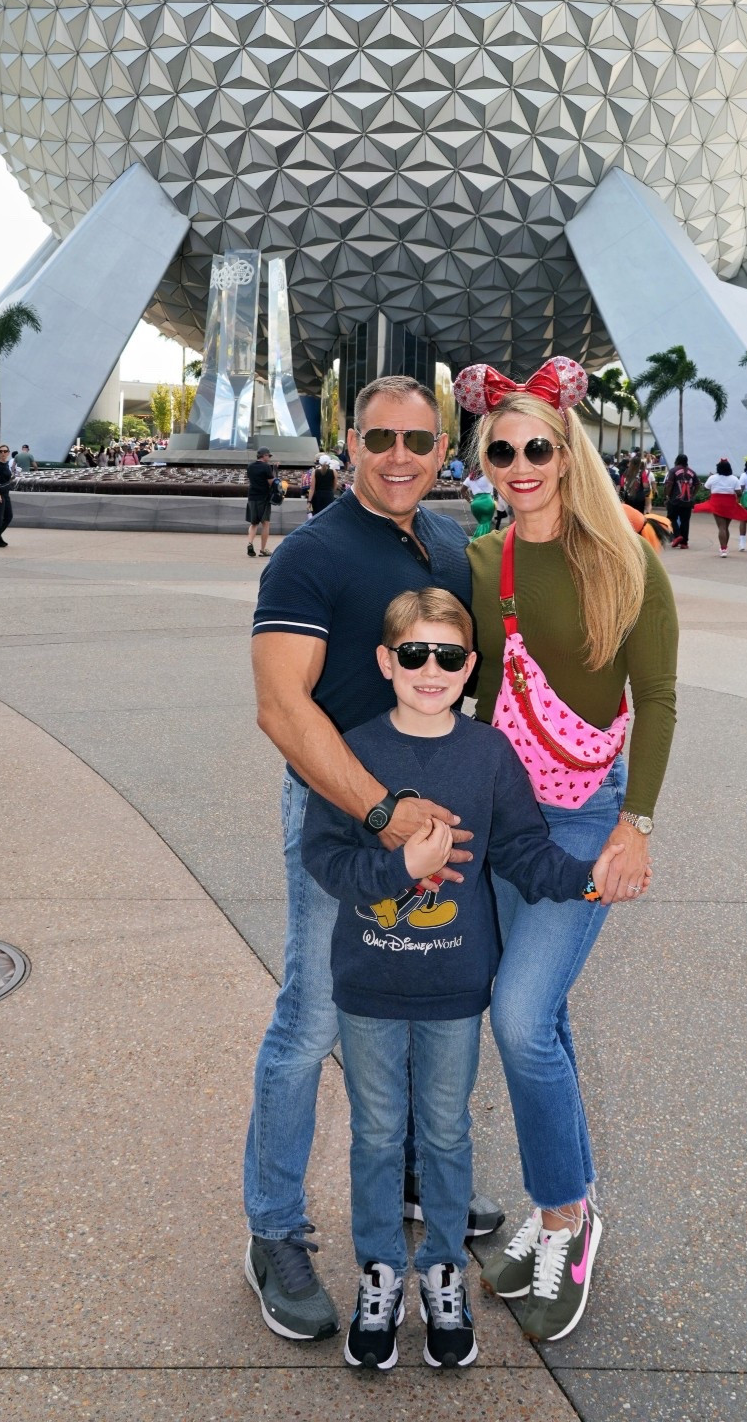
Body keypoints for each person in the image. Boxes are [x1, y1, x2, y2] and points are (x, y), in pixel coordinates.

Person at [243, 375, 492, 1344]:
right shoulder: (310, 553)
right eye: (381, 436)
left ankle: (424, 1176)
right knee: (310, 1019)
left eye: (419, 440)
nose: (400, 454)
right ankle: (272, 1228)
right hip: (347, 816)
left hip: (440, 815)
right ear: (350, 442)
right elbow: (280, 705)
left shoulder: (444, 547)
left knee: (430, 994)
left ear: (442, 449)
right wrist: (382, 811)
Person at [303, 585, 596, 1371]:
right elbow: (323, 856)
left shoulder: (488, 755)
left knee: (443, 1131)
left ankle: (440, 1271)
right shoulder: (355, 751)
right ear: (385, 662)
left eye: (446, 657)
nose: (429, 670)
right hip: (367, 981)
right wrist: (404, 866)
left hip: (454, 989)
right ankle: (378, 1271)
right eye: (412, 655)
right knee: (373, 1133)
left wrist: (588, 878)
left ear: (469, 666)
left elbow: (525, 852)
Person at [451, 356, 677, 1342]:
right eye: (500, 450)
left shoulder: (626, 555)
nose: (520, 463)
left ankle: (563, 1220)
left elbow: (658, 697)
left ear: (566, 444)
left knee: (519, 1014)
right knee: (543, 1020)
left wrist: (638, 823)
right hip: (504, 819)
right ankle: (571, 1202)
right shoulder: (481, 557)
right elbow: (452, 674)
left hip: (587, 817)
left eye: (536, 444)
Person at [697, 457, 747, 556]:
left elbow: (706, 487)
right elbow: (739, 492)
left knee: (721, 527)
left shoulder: (713, 477)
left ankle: (723, 549)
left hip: (717, 503)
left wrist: (711, 479)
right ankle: (725, 547)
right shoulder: (734, 478)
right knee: (726, 527)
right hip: (729, 503)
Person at [245, 448, 277, 558]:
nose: (269, 458)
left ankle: (250, 543)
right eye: (269, 456)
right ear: (264, 455)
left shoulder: (250, 466)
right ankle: (263, 550)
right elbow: (271, 482)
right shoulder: (266, 467)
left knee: (253, 523)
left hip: (252, 496)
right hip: (263, 497)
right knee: (265, 523)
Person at [664, 456, 695, 549]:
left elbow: (669, 484)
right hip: (687, 500)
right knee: (685, 520)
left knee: (671, 518)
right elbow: (697, 484)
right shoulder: (691, 472)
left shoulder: (673, 471)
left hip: (675, 500)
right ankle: (684, 542)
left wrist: (667, 495)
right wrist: (692, 494)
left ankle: (677, 536)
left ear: (677, 460)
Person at [464, 468, 497, 538]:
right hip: (487, 502)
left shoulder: (469, 478)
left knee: (482, 523)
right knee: (486, 523)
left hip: (475, 504)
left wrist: (470, 501)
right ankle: (479, 541)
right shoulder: (488, 476)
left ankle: (479, 540)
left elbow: (462, 490)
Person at [307, 456, 337, 520]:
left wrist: (309, 501)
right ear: (329, 463)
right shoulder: (333, 472)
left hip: (318, 497)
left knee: (317, 517)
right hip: (329, 496)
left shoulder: (315, 472)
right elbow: (335, 486)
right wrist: (331, 493)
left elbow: (312, 488)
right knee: (328, 517)